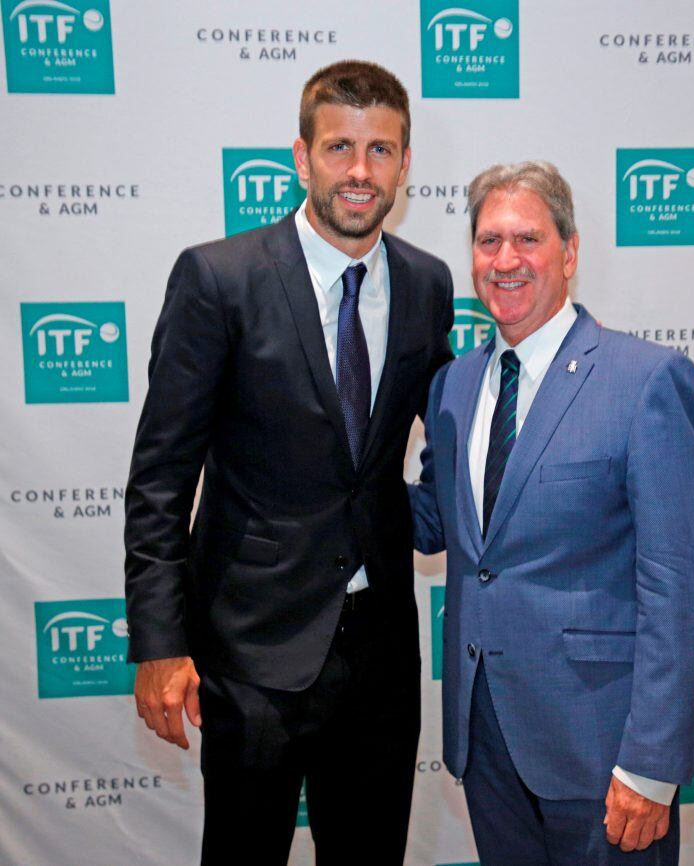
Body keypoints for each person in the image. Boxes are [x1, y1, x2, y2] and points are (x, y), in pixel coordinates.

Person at [124, 60, 454, 865]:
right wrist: (160, 644)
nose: (359, 170)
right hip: (249, 650)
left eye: (381, 151)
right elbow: (162, 476)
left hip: (380, 650)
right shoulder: (218, 278)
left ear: (405, 165)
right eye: (340, 146)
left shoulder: (428, 284)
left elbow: (440, 434)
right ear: (302, 157)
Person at [409, 161, 694, 865]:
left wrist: (650, 762)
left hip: (604, 750)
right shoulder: (453, 385)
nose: (505, 260)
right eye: (488, 242)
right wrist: (309, 473)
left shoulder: (645, 381)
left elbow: (680, 586)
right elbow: (435, 522)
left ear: (569, 252)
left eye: (527, 239)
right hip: (485, 739)